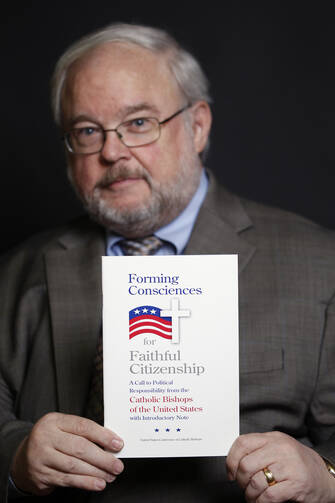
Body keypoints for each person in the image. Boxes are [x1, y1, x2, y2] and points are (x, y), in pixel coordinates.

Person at [1, 22, 335, 503]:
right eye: (88, 131)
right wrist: (15, 455)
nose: (112, 152)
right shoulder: (14, 276)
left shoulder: (319, 264)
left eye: (138, 123)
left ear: (197, 126)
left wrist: (324, 472)